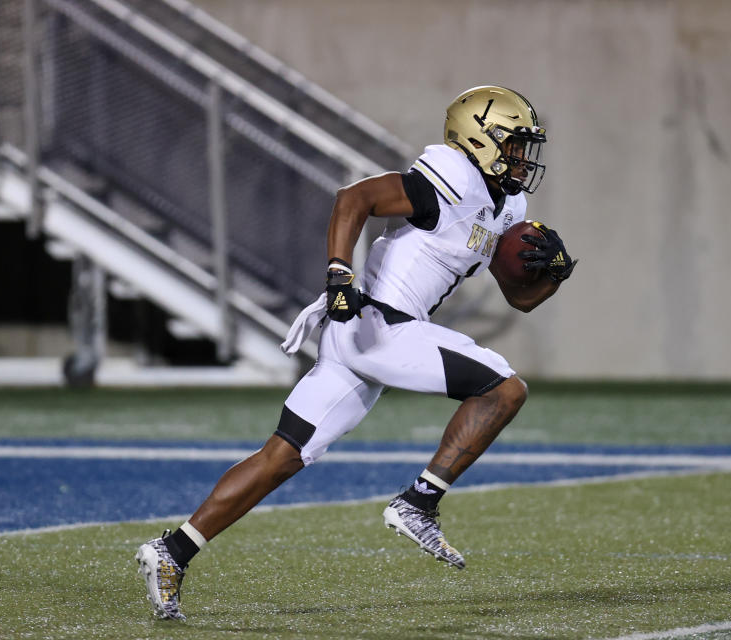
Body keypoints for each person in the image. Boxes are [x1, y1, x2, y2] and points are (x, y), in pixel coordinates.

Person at [135, 85, 577, 620]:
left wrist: (552, 274)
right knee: (505, 389)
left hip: (362, 338)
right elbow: (354, 198)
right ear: (480, 139)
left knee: (283, 455)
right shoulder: (451, 179)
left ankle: (172, 550)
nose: (522, 159)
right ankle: (418, 503)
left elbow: (519, 297)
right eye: (514, 145)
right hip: (377, 325)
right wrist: (340, 272)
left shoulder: (506, 205)